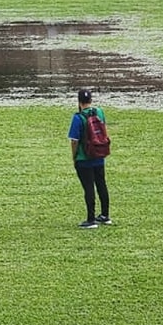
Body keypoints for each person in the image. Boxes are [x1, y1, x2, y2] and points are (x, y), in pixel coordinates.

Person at [68, 89, 111, 228]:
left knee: (88, 188)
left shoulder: (78, 118)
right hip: (99, 155)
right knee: (101, 184)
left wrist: (74, 157)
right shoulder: (99, 112)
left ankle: (90, 219)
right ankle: (105, 215)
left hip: (84, 158)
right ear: (91, 100)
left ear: (79, 102)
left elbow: (74, 141)